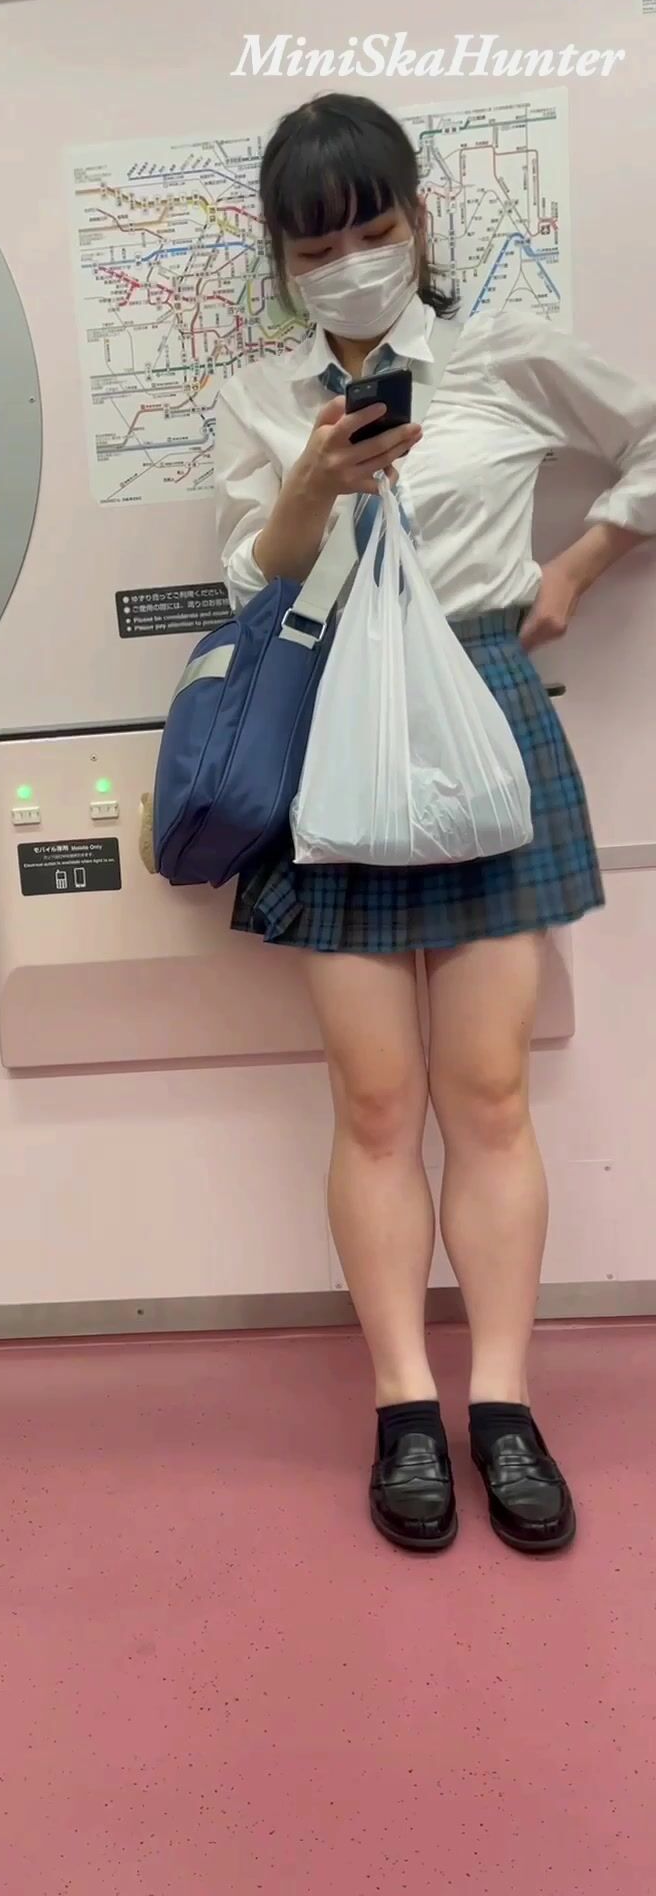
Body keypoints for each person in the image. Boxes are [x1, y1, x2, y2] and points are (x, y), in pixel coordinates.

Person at [213, 94, 656, 1555]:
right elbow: (253, 577)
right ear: (283, 258)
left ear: (416, 220)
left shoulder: (502, 354)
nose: (348, 260)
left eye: (371, 226)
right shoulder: (260, 396)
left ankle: (503, 1403)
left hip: (481, 699)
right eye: (315, 244)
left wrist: (576, 567)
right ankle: (404, 1403)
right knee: (375, 1102)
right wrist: (310, 479)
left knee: (490, 1094)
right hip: (332, 718)